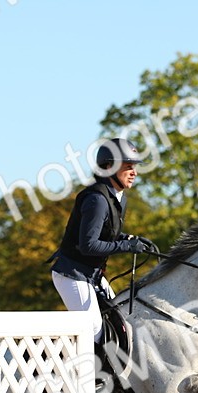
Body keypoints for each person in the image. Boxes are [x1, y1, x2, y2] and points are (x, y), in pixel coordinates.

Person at [49, 137, 156, 343]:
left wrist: (133, 240)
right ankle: (85, 374)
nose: (134, 173)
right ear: (109, 167)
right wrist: (126, 246)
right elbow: (89, 245)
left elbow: (108, 235)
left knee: (118, 320)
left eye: (134, 167)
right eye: (128, 167)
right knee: (96, 332)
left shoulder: (118, 198)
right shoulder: (97, 199)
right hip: (72, 274)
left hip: (93, 276)